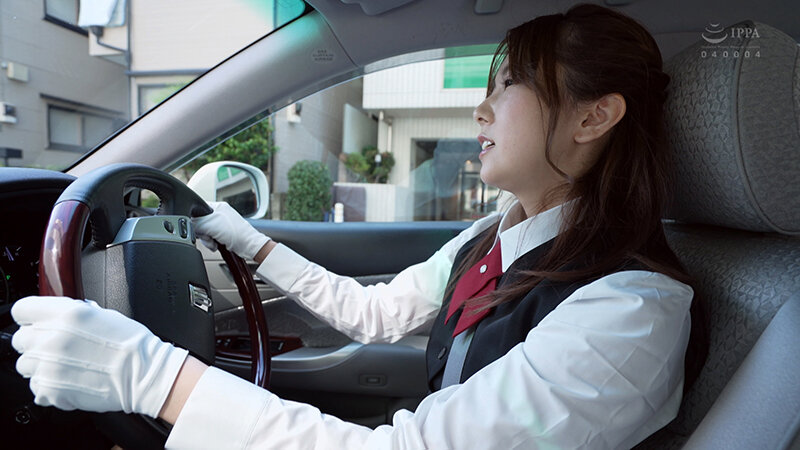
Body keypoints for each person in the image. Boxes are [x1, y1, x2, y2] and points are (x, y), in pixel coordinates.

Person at [11, 4, 702, 448]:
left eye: (509, 84)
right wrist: (247, 240)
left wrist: (151, 377)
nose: (481, 110)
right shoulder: (490, 237)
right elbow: (373, 313)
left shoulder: (632, 313)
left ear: (593, 117)